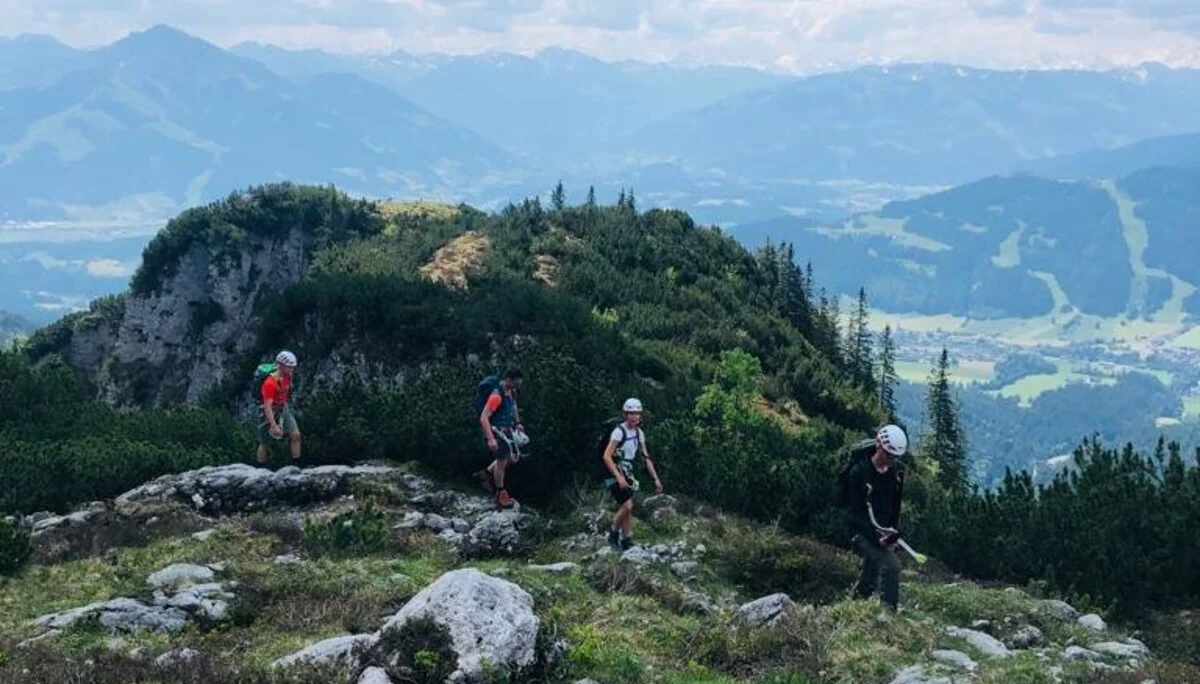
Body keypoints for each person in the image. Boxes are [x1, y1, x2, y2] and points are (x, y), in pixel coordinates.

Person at [845, 423, 908, 614]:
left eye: (895, 457)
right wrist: (876, 539)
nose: (891, 461)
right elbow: (855, 512)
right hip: (858, 530)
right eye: (888, 455)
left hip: (880, 530)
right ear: (878, 445)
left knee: (871, 572)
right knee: (892, 566)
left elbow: (894, 506)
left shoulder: (896, 473)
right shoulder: (860, 472)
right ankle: (888, 616)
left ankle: (852, 608)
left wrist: (892, 533)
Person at [601, 398, 663, 550]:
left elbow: (645, 457)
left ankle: (626, 539)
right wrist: (618, 476)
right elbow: (606, 456)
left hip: (627, 473)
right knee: (628, 506)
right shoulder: (618, 432)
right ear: (625, 414)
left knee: (626, 506)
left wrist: (656, 479)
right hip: (614, 472)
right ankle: (613, 534)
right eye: (631, 413)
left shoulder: (638, 433)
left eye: (637, 413)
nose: (634, 417)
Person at [476, 368, 525, 510]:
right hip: (497, 432)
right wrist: (491, 439)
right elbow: (484, 417)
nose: (518, 386)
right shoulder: (496, 396)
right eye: (516, 383)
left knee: (512, 458)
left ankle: (485, 474)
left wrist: (517, 423)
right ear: (509, 380)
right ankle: (500, 494)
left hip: (507, 430)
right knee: (502, 462)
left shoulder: (511, 392)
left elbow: (514, 406)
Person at [256, 350, 301, 465]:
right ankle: (260, 468)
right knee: (264, 441)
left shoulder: (288, 376)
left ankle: (297, 464)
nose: (292, 369)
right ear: (281, 366)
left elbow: (286, 391)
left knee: (295, 435)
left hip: (282, 407)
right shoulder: (270, 383)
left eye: (292, 367)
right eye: (289, 367)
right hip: (269, 409)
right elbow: (267, 407)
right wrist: (274, 425)